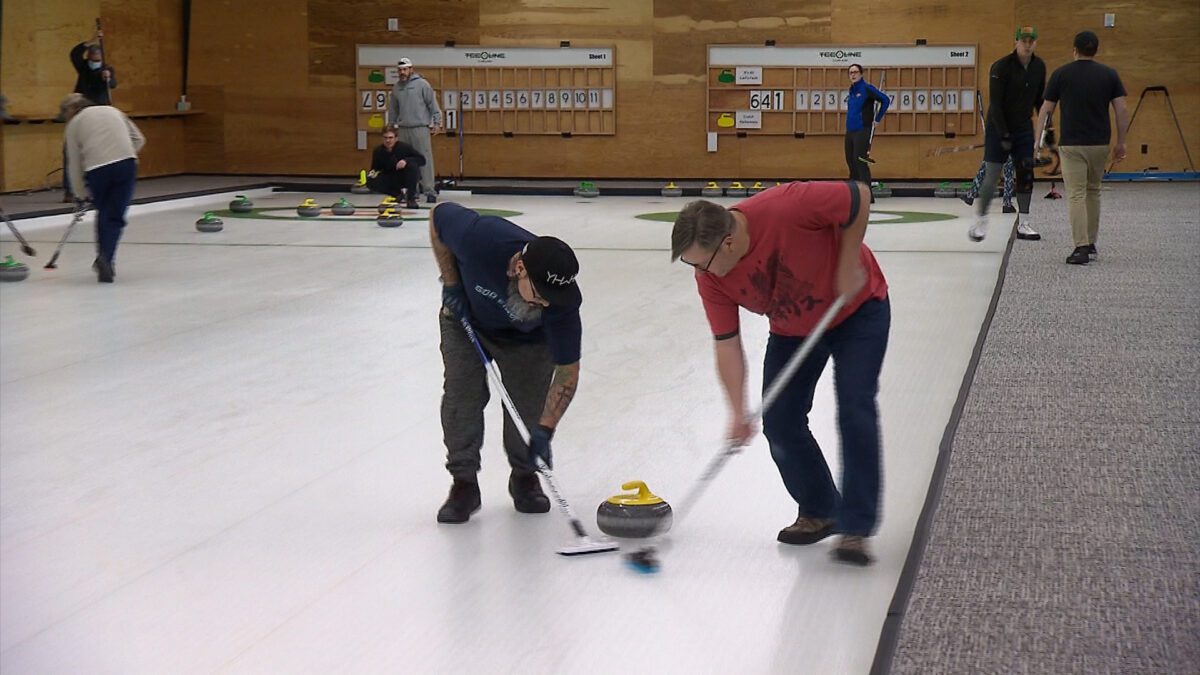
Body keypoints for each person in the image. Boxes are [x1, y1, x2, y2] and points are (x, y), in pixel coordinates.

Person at [670, 180, 890, 566]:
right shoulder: (711, 278)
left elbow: (859, 196)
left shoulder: (786, 207)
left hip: (857, 309)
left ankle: (856, 527)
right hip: (793, 328)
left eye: (700, 262)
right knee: (780, 421)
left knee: (854, 405)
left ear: (728, 242)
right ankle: (821, 509)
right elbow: (726, 343)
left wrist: (846, 263)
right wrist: (737, 411)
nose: (699, 272)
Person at [430, 202, 583, 524]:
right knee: (462, 397)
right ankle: (464, 484)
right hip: (466, 320)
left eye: (551, 299)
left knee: (529, 407)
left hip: (529, 341)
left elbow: (567, 372)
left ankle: (524, 477)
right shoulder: (482, 238)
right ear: (520, 269)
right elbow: (438, 215)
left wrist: (545, 429)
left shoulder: (561, 304)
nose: (545, 304)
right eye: (539, 295)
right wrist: (451, 283)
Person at [1034, 31, 1129, 265]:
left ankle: (1081, 247)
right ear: (1095, 50)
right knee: (1093, 191)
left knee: (1076, 194)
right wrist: (1121, 142)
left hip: (1072, 144)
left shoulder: (1061, 74)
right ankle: (1092, 243)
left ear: (1074, 50)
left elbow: (1046, 110)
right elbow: (1121, 109)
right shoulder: (1109, 74)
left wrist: (1038, 141)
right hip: (1100, 143)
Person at [968, 26, 1047, 243]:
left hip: (1023, 128)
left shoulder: (1039, 67)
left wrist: (1046, 127)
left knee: (1025, 174)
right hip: (998, 126)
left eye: (1031, 41)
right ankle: (980, 221)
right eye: (1024, 40)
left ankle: (1024, 222)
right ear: (1016, 42)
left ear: (1035, 43)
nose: (1027, 45)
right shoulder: (1001, 67)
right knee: (993, 173)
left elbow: (1039, 100)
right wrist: (1003, 134)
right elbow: (996, 104)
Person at [62, 93, 144, 283]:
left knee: (104, 213)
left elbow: (73, 163)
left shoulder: (74, 124)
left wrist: (79, 194)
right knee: (115, 215)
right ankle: (107, 258)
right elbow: (139, 139)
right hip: (126, 164)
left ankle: (104, 258)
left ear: (72, 109)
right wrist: (123, 153)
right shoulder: (113, 111)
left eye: (65, 112)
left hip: (97, 169)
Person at [387, 57, 442, 204]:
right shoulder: (396, 88)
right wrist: (391, 126)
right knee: (405, 161)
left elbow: (433, 105)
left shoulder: (422, 84)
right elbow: (393, 109)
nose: (402, 72)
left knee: (424, 160)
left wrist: (437, 122)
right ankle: (412, 191)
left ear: (411, 69)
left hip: (420, 128)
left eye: (405, 69)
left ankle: (429, 191)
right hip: (403, 129)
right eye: (400, 70)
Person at [845, 64, 889, 199]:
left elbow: (885, 100)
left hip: (862, 130)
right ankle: (855, 195)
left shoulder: (867, 88)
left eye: (855, 72)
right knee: (851, 162)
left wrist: (878, 118)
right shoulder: (851, 90)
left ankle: (867, 196)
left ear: (861, 73)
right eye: (851, 73)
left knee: (860, 162)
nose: (853, 75)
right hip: (850, 131)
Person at [366, 125, 425, 208]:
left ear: (396, 138)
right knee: (370, 180)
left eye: (390, 138)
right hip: (390, 176)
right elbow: (375, 168)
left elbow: (422, 160)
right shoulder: (378, 151)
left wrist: (406, 161)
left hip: (406, 176)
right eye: (385, 138)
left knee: (412, 165)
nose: (388, 140)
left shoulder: (404, 147)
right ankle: (397, 195)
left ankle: (411, 198)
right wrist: (371, 175)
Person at [70, 29, 117, 105]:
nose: (95, 62)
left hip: (100, 103)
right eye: (92, 59)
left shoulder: (107, 69)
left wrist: (108, 78)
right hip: (82, 102)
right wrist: (90, 42)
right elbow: (75, 54)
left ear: (102, 57)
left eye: (97, 60)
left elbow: (113, 84)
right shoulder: (83, 66)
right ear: (88, 56)